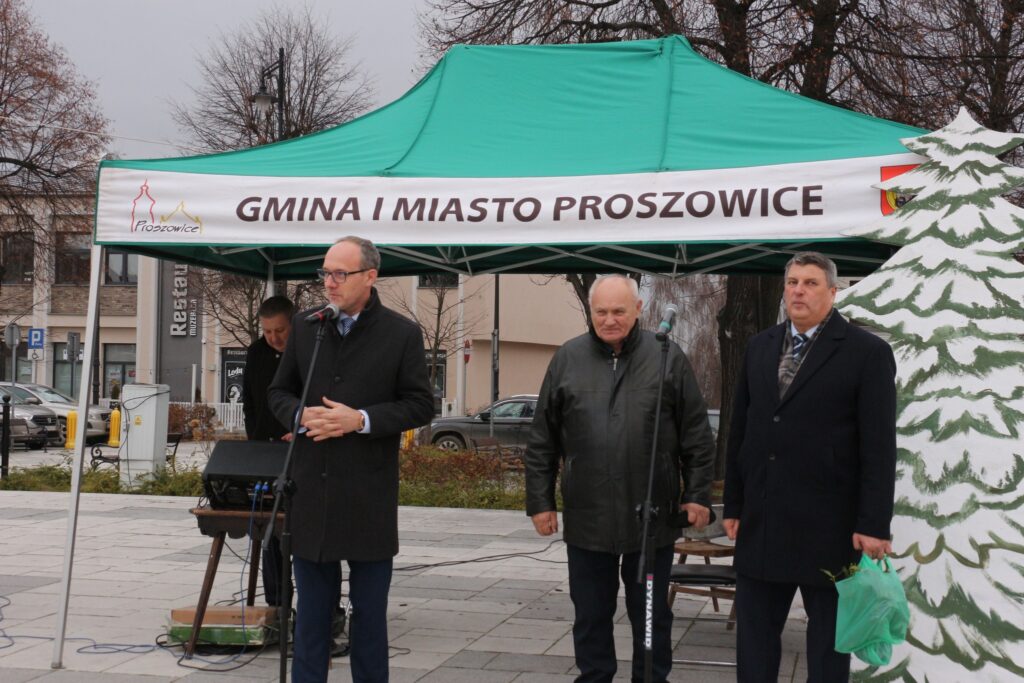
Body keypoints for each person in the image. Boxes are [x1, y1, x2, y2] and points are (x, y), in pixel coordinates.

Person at [525, 274, 716, 683]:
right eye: (601, 312)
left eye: (618, 311)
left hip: (651, 519)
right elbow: (542, 440)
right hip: (588, 516)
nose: (609, 320)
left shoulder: (666, 355)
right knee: (591, 616)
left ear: (638, 309)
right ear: (590, 311)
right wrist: (540, 503)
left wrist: (697, 494)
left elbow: (697, 436)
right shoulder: (567, 359)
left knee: (651, 617)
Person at [722, 252, 897, 682]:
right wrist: (734, 504)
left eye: (811, 283)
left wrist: (874, 523)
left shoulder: (867, 352)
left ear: (833, 292)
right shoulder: (759, 346)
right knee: (755, 645)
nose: (798, 291)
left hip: (830, 529)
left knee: (827, 651)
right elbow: (741, 430)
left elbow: (879, 447)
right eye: (793, 282)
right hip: (763, 523)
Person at [269, 236, 434, 683]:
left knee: (369, 619)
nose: (329, 282)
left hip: (367, 497)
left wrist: (359, 420)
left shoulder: (401, 333)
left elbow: (421, 405)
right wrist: (301, 415)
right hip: (312, 494)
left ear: (370, 276)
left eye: (340, 273)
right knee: (311, 619)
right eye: (325, 273)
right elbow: (279, 391)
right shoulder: (307, 326)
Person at [241, 295, 294, 610]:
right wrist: (255, 438)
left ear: (293, 325)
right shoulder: (256, 353)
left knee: (302, 531)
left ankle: (323, 608)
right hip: (264, 450)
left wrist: (301, 430)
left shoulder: (307, 353)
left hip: (301, 450)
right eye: (268, 331)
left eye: (280, 330)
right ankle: (277, 605)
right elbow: (249, 401)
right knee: (269, 528)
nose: (274, 337)